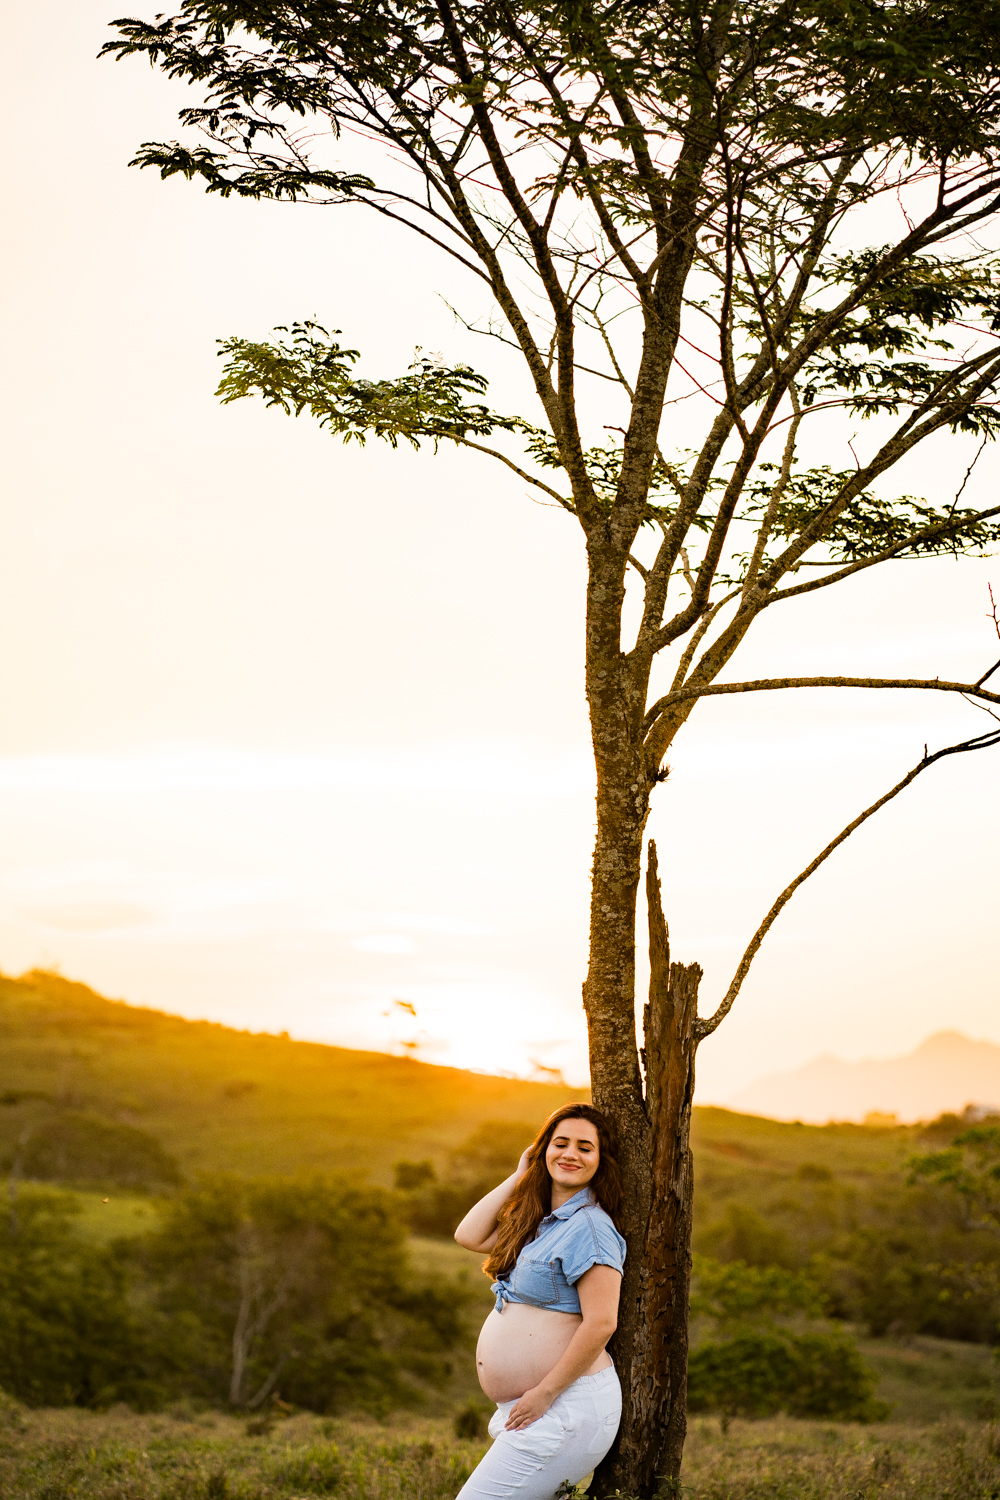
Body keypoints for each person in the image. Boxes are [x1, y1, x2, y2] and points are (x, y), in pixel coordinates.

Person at [453, 1103, 626, 1500]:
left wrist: (546, 1392)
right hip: (537, 1406)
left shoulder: (590, 1229)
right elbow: (468, 1235)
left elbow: (601, 1323)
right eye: (560, 1143)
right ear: (543, 1149)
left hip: (565, 1406)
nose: (570, 1154)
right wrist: (520, 1175)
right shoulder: (538, 1223)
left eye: (585, 1147)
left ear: (601, 1161)